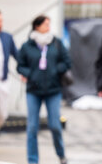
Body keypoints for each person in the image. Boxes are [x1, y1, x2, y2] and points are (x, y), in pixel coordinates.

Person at [17, 15, 70, 164]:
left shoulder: (56, 43)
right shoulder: (27, 46)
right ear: (37, 26)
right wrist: (30, 74)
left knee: (55, 125)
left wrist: (54, 70)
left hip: (53, 91)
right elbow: (20, 65)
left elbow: (67, 62)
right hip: (33, 91)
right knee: (32, 127)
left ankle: (61, 155)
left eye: (49, 24)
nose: (48, 27)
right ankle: (32, 160)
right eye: (46, 24)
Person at [0, 10, 17, 158]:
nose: (0, 24)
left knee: (2, 114)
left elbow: (17, 55)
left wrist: (25, 71)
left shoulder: (7, 37)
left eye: (1, 21)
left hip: (3, 81)